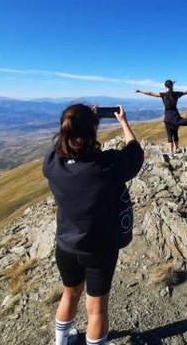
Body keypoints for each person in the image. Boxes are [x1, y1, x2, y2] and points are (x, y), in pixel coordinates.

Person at [43, 104, 144, 345]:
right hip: (99, 249)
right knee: (97, 309)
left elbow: (63, 145)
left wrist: (80, 117)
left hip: (66, 247)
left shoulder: (51, 162)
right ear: (93, 130)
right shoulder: (107, 165)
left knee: (70, 293)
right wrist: (123, 122)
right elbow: (135, 152)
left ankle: (61, 342)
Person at [134, 79, 187, 155]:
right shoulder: (176, 94)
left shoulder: (163, 95)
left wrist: (140, 91)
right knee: (175, 133)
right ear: (172, 86)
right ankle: (176, 149)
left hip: (168, 119)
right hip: (176, 118)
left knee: (169, 136)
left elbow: (150, 93)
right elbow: (186, 92)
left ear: (165, 86)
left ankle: (171, 153)